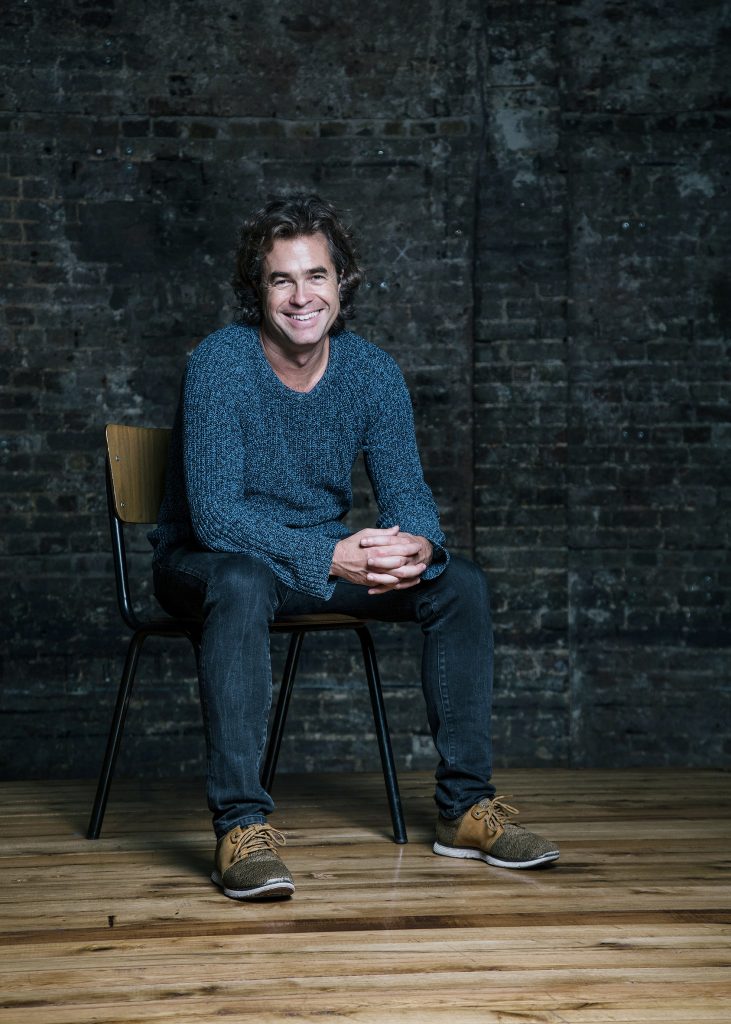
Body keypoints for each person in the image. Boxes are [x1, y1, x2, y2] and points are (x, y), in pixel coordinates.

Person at [150, 194, 559, 901]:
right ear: (258, 291)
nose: (301, 296)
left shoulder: (370, 372)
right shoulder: (219, 361)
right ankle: (240, 828)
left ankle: (465, 809)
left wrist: (417, 546)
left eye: (317, 277)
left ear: (343, 284)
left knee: (459, 583)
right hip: (205, 564)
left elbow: (408, 493)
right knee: (243, 579)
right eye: (281, 279)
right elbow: (215, 517)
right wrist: (330, 557)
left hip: (311, 561)